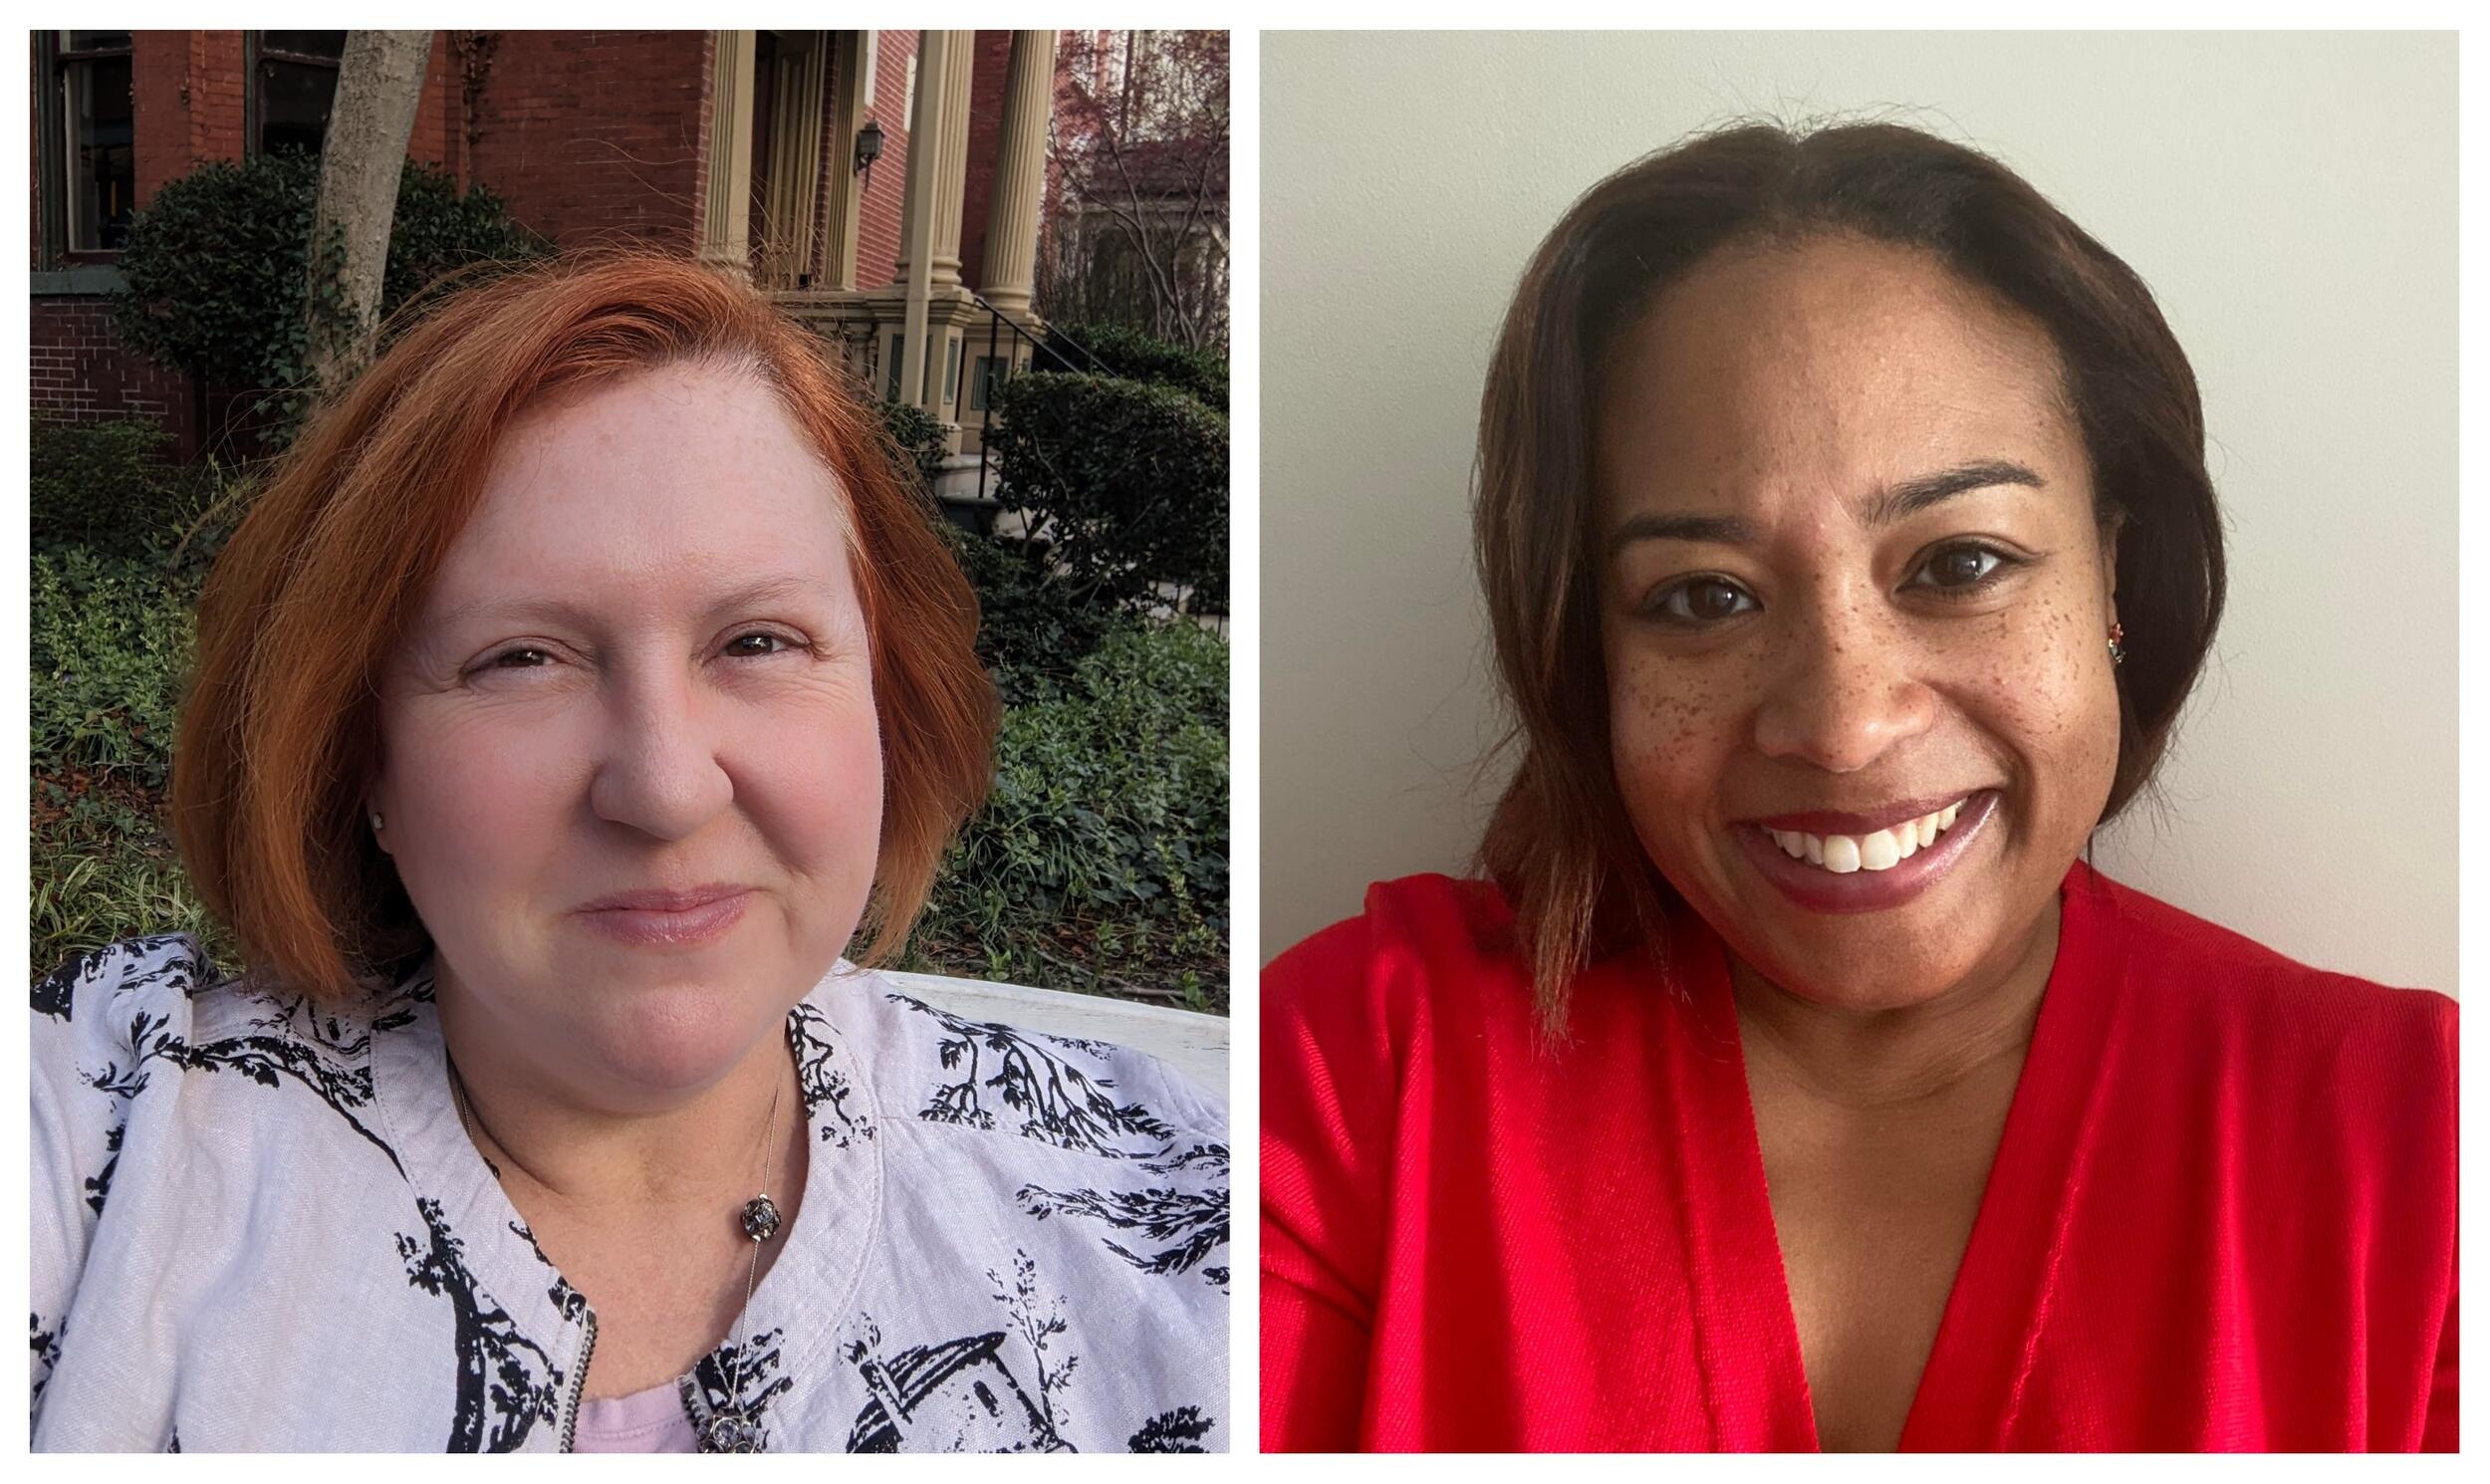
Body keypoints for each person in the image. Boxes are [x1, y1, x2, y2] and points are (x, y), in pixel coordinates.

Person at [1260, 122, 2454, 1452]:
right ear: (1587, 648)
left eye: (1958, 564)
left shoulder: (2422, 1161)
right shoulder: (1355, 1078)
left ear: (2114, 574)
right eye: (1705, 596)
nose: (1843, 724)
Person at [33, 253, 1230, 1453]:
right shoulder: (111, 1129)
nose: (663, 788)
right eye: (520, 658)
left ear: (889, 702)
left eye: (758, 639)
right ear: (361, 760)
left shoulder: (1167, 1212)